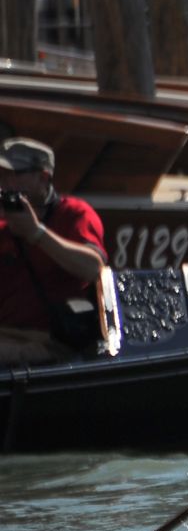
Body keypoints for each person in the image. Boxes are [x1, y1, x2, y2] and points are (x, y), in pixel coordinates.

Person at [0, 138, 108, 366]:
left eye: (14, 174)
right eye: (2, 175)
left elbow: (93, 268)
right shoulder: (3, 224)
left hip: (51, 340)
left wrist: (36, 233)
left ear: (43, 177)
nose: (6, 183)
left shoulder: (75, 215)